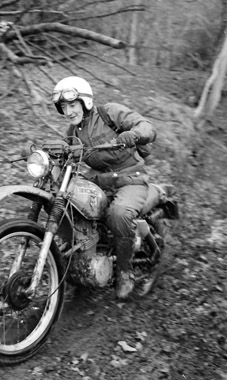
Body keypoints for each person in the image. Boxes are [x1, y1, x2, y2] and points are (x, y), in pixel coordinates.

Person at [51, 76, 156, 300]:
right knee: (72, 204)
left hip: (131, 177)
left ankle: (125, 272)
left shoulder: (109, 113)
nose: (68, 111)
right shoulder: (72, 132)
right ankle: (80, 258)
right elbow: (64, 155)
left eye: (72, 105)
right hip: (99, 181)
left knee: (118, 214)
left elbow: (147, 127)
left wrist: (134, 134)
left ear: (85, 101)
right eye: (64, 107)